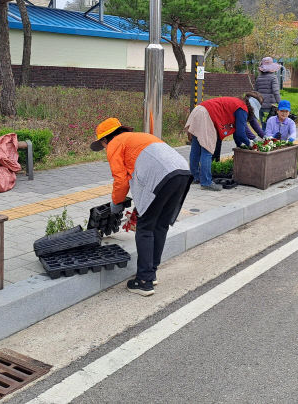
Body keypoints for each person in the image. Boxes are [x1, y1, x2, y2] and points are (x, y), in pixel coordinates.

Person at [90, 118, 192, 296]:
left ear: (106, 139)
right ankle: (151, 273)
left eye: (103, 144)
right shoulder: (140, 137)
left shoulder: (115, 144)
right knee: (160, 225)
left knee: (145, 228)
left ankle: (144, 281)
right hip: (183, 171)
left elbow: (121, 180)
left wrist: (116, 204)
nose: (105, 148)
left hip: (161, 177)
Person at [185, 93, 260, 191]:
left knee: (196, 149)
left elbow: (237, 133)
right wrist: (249, 143)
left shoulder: (237, 102)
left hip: (198, 110)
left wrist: (240, 144)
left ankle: (196, 177)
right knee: (207, 150)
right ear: (252, 108)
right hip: (206, 115)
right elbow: (241, 133)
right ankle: (206, 182)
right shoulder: (242, 108)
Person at [254, 57, 281, 128]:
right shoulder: (273, 78)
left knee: (263, 124)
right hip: (270, 106)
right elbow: (276, 92)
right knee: (271, 125)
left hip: (260, 105)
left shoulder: (259, 78)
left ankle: (264, 137)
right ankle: (269, 138)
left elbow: (255, 92)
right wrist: (280, 103)